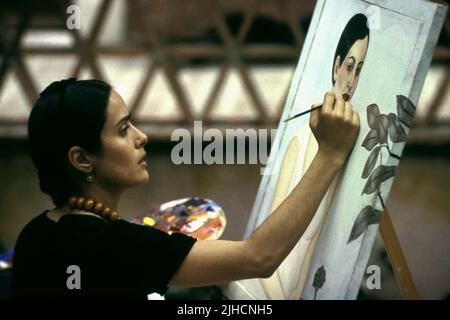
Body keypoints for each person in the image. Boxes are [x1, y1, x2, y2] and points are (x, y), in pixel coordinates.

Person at [10, 76, 359, 299]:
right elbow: (259, 257)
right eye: (122, 129)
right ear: (82, 160)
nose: (141, 137)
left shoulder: (36, 234)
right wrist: (330, 153)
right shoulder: (114, 244)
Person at [259, 13, 370, 299]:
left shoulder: (352, 148)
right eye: (349, 66)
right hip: (268, 287)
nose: (351, 81)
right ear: (336, 67)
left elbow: (312, 251)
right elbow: (259, 256)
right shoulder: (299, 142)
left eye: (359, 70)